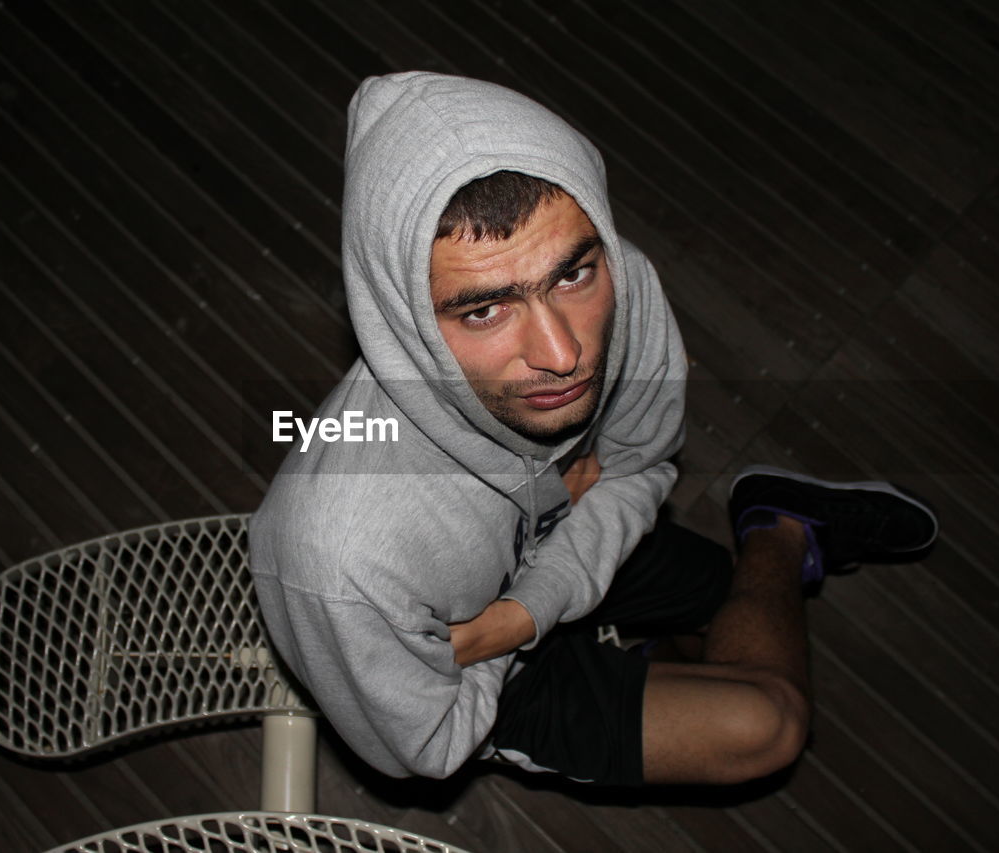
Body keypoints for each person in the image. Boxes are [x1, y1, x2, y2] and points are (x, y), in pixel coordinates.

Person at [250, 72, 937, 786]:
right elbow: (424, 745)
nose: (563, 354)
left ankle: (709, 593)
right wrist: (516, 636)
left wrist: (522, 611)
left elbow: (641, 469)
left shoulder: (621, 283)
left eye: (572, 274)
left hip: (521, 593)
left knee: (717, 596)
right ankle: (781, 530)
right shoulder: (340, 561)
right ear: (403, 324)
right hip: (487, 688)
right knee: (770, 723)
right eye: (484, 310)